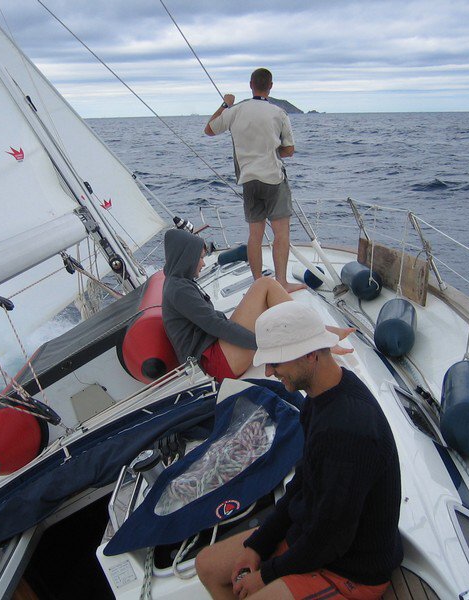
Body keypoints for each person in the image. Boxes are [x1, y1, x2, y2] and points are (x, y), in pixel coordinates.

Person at [195, 301, 403, 600]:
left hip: (350, 569)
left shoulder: (349, 430)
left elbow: (332, 539)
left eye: (275, 362)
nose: (268, 371)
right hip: (314, 534)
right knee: (207, 565)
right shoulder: (319, 399)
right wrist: (258, 545)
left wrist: (266, 575)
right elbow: (303, 484)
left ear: (310, 355)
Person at [162, 229, 350, 383]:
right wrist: (264, 345)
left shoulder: (178, 283)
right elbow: (215, 325)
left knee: (264, 288)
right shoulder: (179, 289)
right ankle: (317, 337)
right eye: (200, 258)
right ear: (186, 258)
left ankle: (318, 330)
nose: (203, 263)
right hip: (217, 364)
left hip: (218, 353)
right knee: (264, 284)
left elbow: (212, 323)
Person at [205, 68, 304, 293]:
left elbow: (209, 129)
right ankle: (282, 282)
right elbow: (289, 150)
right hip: (273, 179)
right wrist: (273, 150)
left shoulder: (235, 111)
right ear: (271, 86)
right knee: (281, 233)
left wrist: (225, 104)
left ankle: (258, 282)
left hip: (249, 180)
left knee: (255, 235)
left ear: (251, 84)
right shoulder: (279, 113)